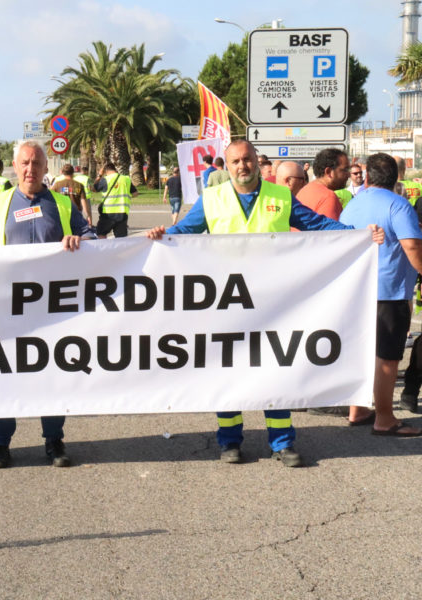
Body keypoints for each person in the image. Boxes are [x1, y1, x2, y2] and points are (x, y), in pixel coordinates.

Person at [145, 140, 384, 467]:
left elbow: (318, 225)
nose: (242, 166)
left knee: (275, 371)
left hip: (273, 307)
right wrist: (162, 235)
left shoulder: (280, 196)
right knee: (227, 374)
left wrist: (359, 235)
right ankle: (229, 442)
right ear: (227, 166)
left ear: (256, 162)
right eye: (235, 162)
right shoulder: (211, 199)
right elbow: (184, 231)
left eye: (247, 160)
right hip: (225, 305)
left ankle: (282, 442)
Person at [0, 141, 95, 469]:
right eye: (24, 163)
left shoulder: (62, 204)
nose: (30, 169)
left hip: (53, 312)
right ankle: (0, 445)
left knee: (52, 375)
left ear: (46, 168)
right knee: (6, 376)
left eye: (36, 163)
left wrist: (81, 239)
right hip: (8, 311)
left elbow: (91, 235)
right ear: (14, 166)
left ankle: (54, 441)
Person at [341, 153, 422, 436]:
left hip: (356, 290)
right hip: (390, 291)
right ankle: (385, 419)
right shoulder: (398, 205)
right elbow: (411, 246)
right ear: (396, 177)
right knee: (387, 357)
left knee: (361, 352)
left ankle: (358, 409)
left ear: (367, 176)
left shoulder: (352, 204)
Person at [296, 148, 350, 221]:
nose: (349, 175)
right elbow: (332, 231)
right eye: (345, 170)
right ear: (329, 172)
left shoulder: (304, 191)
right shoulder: (328, 197)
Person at [93, 162, 138, 238]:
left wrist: (99, 175)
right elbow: (135, 193)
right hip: (122, 212)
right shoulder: (126, 179)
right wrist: (127, 195)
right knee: (121, 238)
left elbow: (94, 189)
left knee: (101, 233)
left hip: (108, 213)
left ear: (105, 171)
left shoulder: (106, 179)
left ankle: (105, 249)